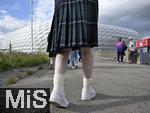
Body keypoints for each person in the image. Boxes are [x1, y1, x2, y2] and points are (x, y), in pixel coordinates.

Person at [47, 0, 99, 108]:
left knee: (63, 48)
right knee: (87, 48)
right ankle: (86, 90)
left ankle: (57, 91)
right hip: (86, 3)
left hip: (62, 2)